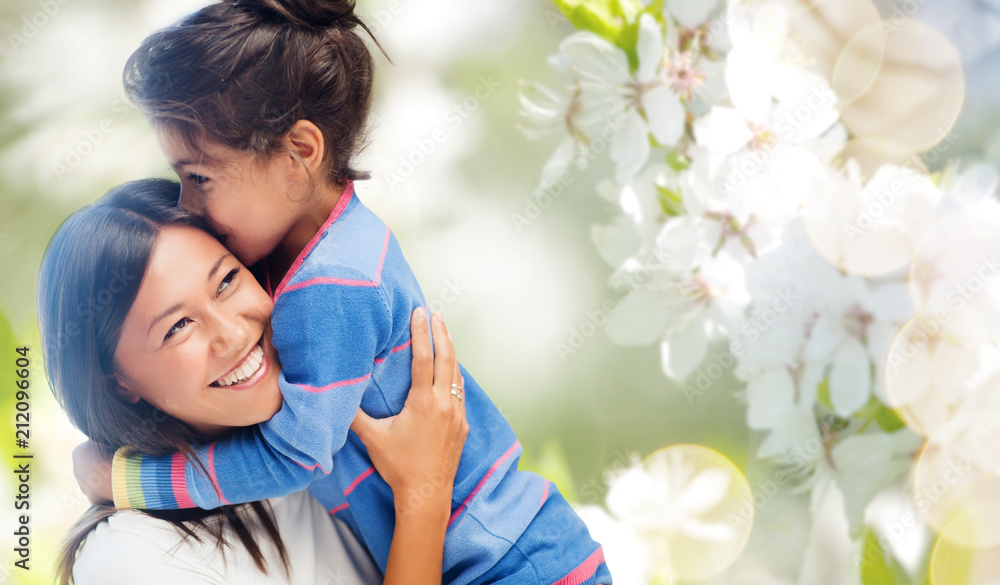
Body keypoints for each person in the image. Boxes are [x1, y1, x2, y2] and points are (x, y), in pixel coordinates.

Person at [76, 0, 611, 582]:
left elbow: (293, 455)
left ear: (300, 153)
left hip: (512, 564)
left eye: (199, 176)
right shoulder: (321, 247)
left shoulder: (330, 285)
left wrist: (128, 479)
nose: (186, 204)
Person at [39, 178, 468, 584]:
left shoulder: (321, 414)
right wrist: (423, 493)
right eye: (178, 326)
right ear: (119, 386)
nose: (233, 334)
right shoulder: (129, 556)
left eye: (227, 280)